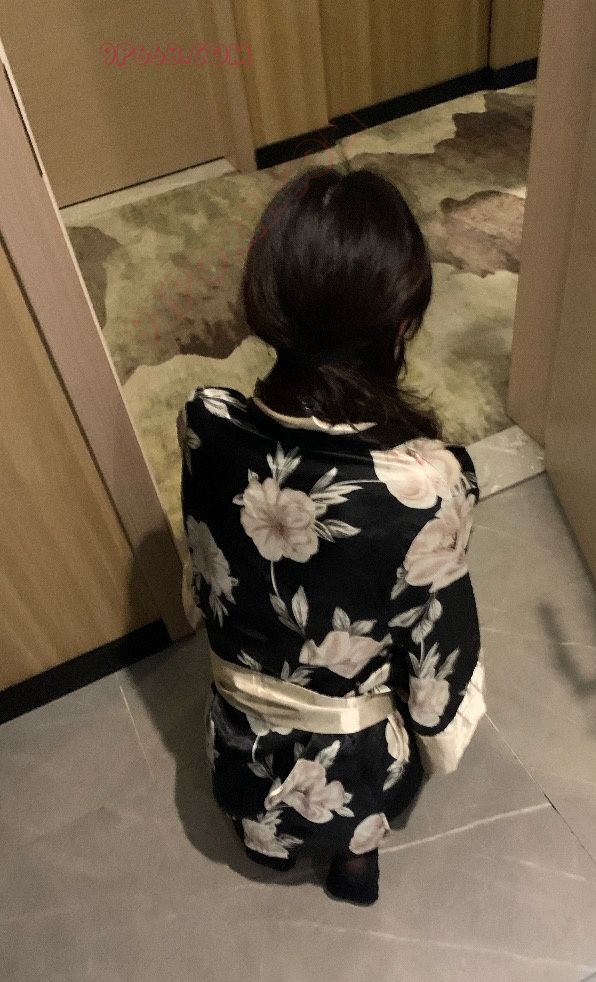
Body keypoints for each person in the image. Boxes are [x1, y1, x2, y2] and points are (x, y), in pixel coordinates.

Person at [177, 165, 485, 905]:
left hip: (241, 721)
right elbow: (437, 665)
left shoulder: (204, 421)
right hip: (352, 750)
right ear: (401, 323)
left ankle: (267, 840)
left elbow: (205, 569)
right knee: (361, 791)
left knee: (254, 793)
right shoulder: (424, 487)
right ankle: (352, 863)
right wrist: (434, 717)